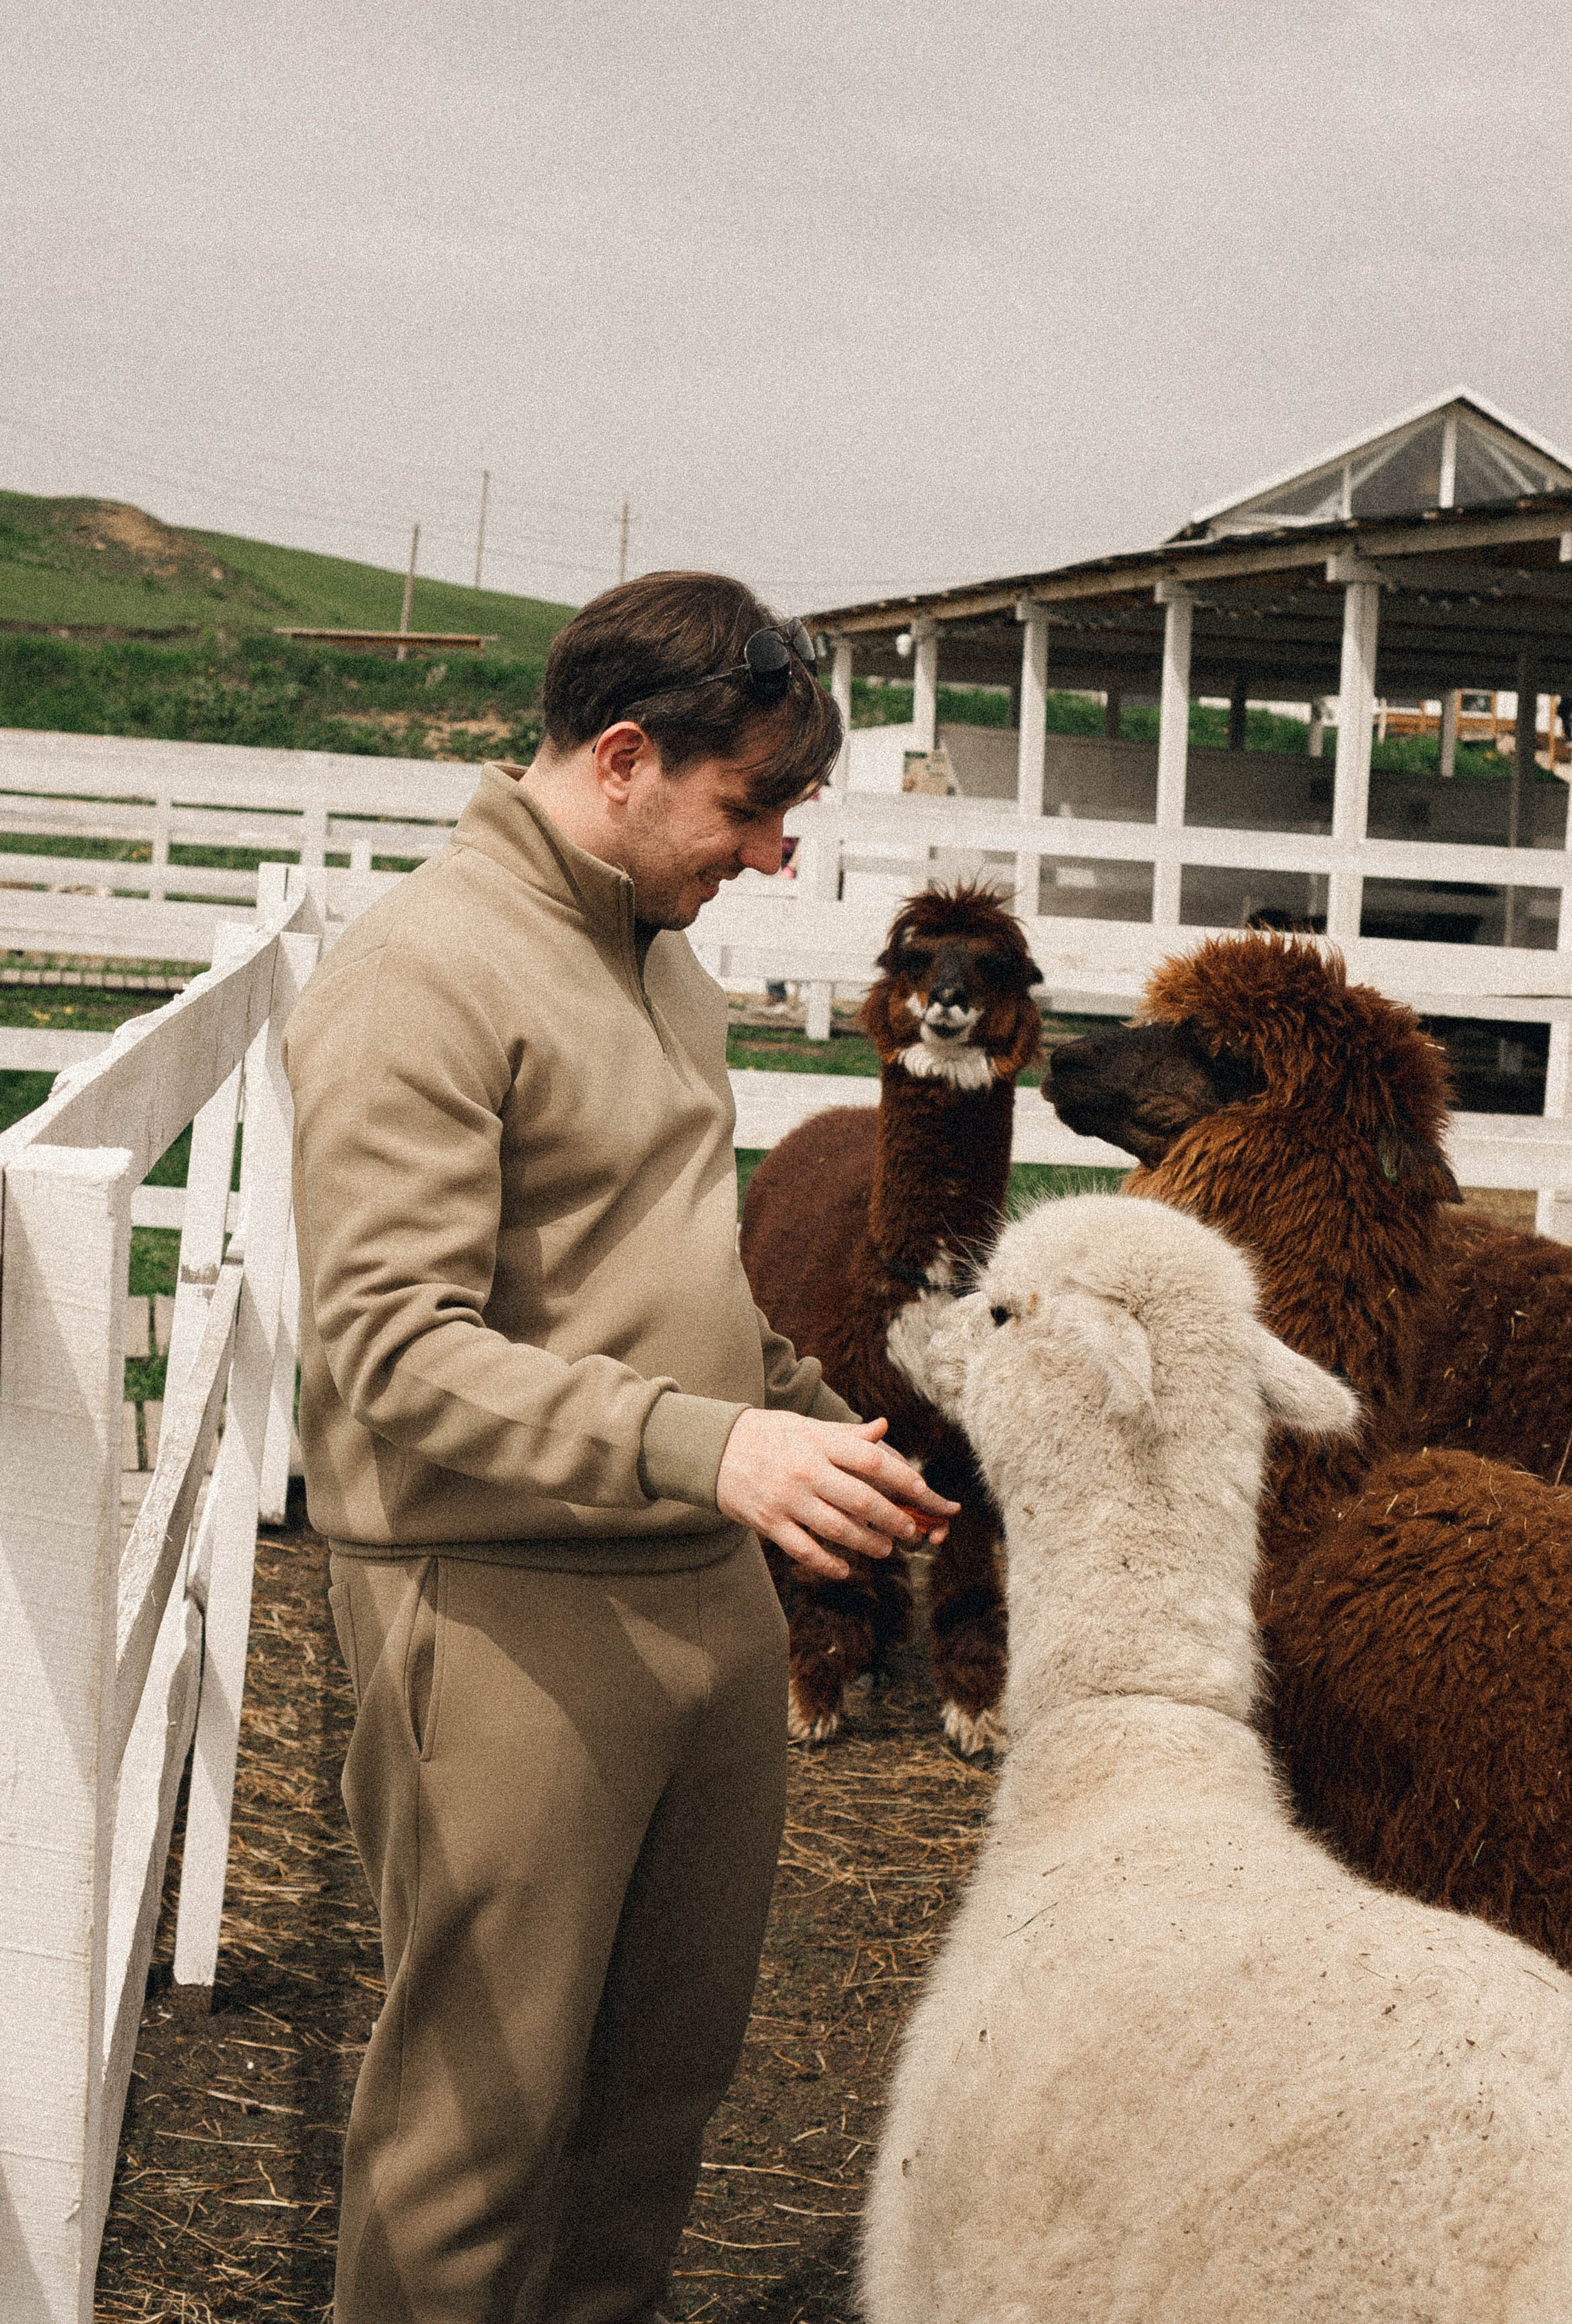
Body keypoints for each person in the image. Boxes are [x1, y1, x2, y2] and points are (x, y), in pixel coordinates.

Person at [283, 571, 956, 2324]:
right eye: (750, 806)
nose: (770, 856)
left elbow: (652, 1281)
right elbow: (386, 1346)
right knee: (476, 2139)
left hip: (689, 1590)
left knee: (656, 2109)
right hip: (502, 1604)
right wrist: (709, 1449)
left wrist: (808, 1425)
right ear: (627, 759)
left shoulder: (660, 975)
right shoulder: (422, 974)